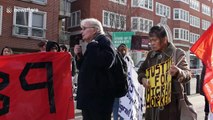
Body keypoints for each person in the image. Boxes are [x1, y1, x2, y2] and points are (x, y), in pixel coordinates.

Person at [137, 26, 191, 120]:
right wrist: (143, 79)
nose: (152, 43)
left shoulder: (177, 53)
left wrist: (178, 72)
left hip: (170, 108)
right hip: (152, 107)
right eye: (150, 40)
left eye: (155, 40)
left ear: (164, 39)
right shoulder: (150, 55)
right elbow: (141, 71)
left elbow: (188, 74)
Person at [74, 18, 116, 120]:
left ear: (95, 30)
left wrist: (92, 46)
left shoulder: (103, 41)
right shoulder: (94, 44)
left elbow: (106, 62)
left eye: (84, 28)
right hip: (91, 100)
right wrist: (79, 55)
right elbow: (85, 68)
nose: (81, 31)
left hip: (98, 101)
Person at [113, 43, 134, 120]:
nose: (123, 51)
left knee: (124, 106)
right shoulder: (115, 58)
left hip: (126, 88)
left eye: (124, 49)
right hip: (117, 87)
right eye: (121, 49)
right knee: (116, 106)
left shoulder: (129, 60)